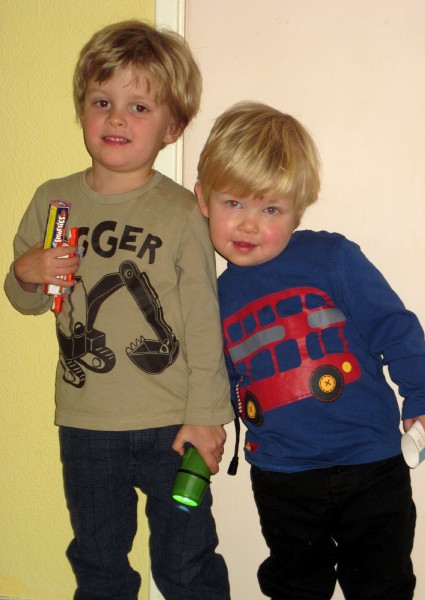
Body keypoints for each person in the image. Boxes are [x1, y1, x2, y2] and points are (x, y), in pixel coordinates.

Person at [4, 20, 234, 600]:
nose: (115, 119)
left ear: (172, 128)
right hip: (86, 425)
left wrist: (208, 415)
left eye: (138, 107)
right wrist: (25, 272)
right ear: (82, 108)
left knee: (186, 563)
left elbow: (203, 320)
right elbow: (27, 302)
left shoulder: (181, 213)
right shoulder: (53, 200)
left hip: (173, 424)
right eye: (101, 102)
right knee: (99, 563)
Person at [195, 101, 425, 600]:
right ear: (203, 199)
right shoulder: (213, 295)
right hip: (282, 473)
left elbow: (394, 327)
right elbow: (214, 377)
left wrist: (423, 394)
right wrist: (201, 422)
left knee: (383, 583)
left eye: (271, 209)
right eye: (234, 203)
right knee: (294, 585)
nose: (249, 225)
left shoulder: (332, 258)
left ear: (300, 208)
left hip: (371, 462)